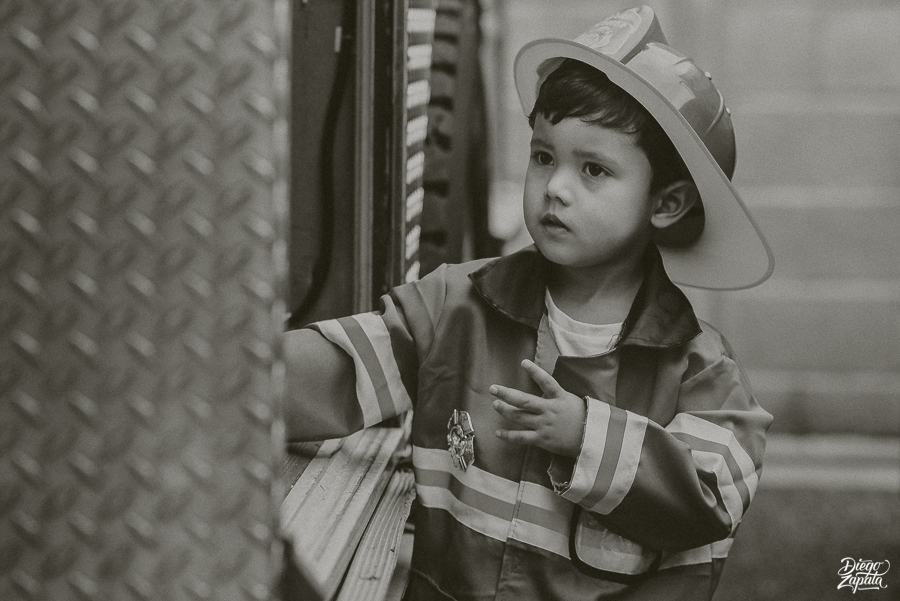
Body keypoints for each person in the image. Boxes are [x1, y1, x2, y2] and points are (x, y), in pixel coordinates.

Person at [285, 6, 775, 600]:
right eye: (544, 156)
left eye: (593, 169)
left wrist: (585, 435)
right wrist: (210, 382)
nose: (555, 187)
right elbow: (333, 375)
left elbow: (713, 496)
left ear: (666, 204)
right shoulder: (454, 308)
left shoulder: (700, 374)